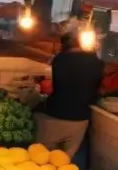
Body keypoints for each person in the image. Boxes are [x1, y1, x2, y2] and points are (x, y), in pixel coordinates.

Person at [34, 31, 105, 159]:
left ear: (66, 44)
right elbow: (97, 89)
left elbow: (51, 86)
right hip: (81, 119)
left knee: (40, 158)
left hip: (55, 116)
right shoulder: (97, 62)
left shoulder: (61, 59)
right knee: (63, 161)